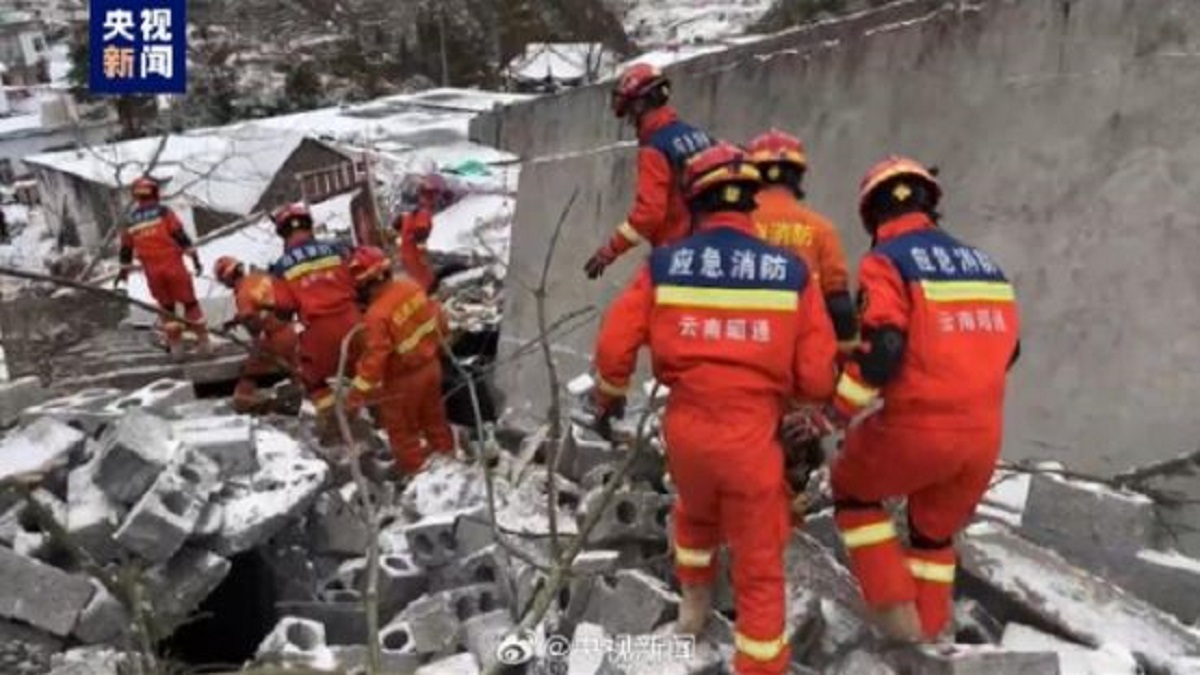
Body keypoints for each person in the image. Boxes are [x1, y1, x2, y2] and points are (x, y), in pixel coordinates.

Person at [591, 143, 837, 674]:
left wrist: (608, 397)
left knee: (695, 513)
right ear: (751, 201)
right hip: (753, 435)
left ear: (696, 202)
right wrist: (807, 407)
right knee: (758, 560)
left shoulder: (665, 265)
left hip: (687, 431)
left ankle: (692, 612)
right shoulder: (790, 272)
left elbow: (615, 342)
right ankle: (759, 665)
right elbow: (818, 371)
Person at [787, 156, 1021, 642]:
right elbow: (1011, 350)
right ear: (931, 205)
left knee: (853, 489)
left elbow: (883, 350)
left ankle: (895, 617)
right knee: (933, 537)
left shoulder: (887, 261)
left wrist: (832, 415)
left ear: (872, 216)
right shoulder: (986, 267)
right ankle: (931, 641)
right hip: (983, 440)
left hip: (918, 429)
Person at [583, 63, 714, 279]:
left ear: (639, 105)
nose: (630, 121)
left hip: (679, 257)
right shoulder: (699, 136)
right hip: (712, 249)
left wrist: (610, 250)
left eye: (629, 114)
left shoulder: (655, 148)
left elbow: (649, 214)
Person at [345, 246, 454, 474]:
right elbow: (439, 318)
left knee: (403, 434)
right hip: (431, 367)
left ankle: (418, 478)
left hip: (403, 383)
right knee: (435, 421)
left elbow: (376, 358)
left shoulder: (376, 315)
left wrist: (355, 395)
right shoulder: (411, 286)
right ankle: (450, 466)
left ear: (365, 283)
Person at [747, 129, 857, 348]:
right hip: (805, 349)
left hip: (746, 343)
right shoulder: (822, 229)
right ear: (798, 176)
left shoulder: (736, 227)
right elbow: (839, 306)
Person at [268, 202, 362, 444]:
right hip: (355, 322)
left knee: (313, 377)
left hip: (320, 333)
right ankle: (383, 418)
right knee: (367, 371)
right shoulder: (338, 250)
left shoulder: (281, 267)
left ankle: (334, 427)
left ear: (282, 233)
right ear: (309, 225)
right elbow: (361, 280)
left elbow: (286, 310)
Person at [114, 176, 209, 357]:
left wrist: (123, 273)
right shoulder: (163, 212)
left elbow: (126, 249)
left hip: (153, 272)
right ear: (154, 192)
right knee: (190, 304)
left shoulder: (130, 220)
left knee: (167, 309)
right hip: (174, 266)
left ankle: (177, 350)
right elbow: (180, 235)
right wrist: (195, 259)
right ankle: (204, 344)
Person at [213, 256, 300, 414]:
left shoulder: (242, 295)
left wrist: (256, 346)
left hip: (274, 336)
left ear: (226, 279)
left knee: (251, 371)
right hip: (291, 329)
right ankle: (299, 398)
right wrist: (234, 321)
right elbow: (262, 305)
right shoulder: (259, 278)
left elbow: (252, 322)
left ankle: (243, 403)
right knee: (296, 369)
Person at [393, 175, 444, 292]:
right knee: (426, 282)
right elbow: (421, 233)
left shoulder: (409, 213)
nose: (434, 199)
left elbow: (396, 225)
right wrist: (423, 255)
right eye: (431, 195)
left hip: (406, 253)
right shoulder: (423, 212)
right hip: (415, 255)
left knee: (415, 281)